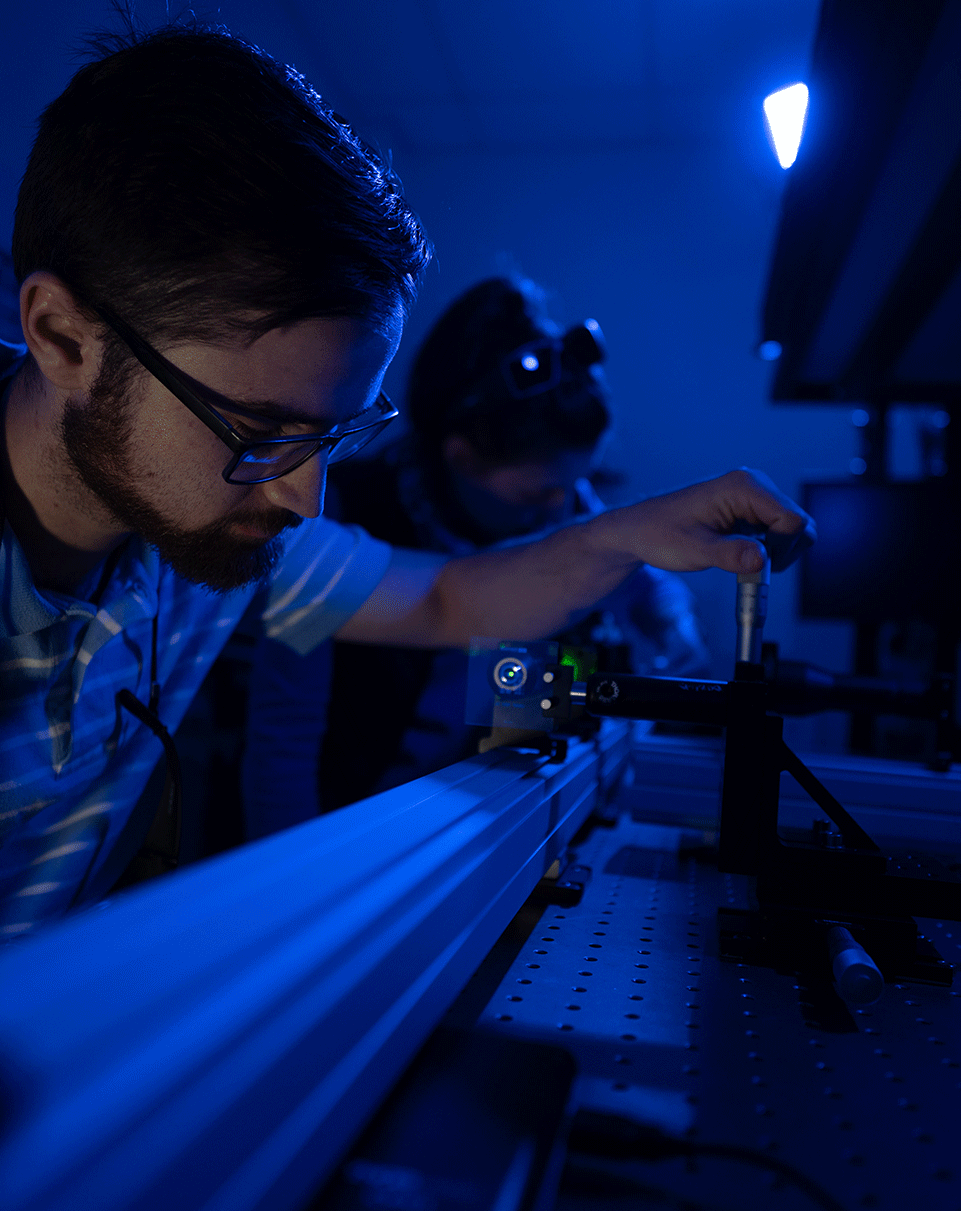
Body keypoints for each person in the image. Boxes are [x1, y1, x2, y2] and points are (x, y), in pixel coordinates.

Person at [0, 22, 812, 1137]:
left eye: (336, 436)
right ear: (62, 335)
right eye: (262, 432)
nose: (303, 498)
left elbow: (445, 602)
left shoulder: (209, 531)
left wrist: (620, 535)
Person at [242, 277, 707, 835]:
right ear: (459, 455)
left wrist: (673, 626)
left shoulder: (561, 504)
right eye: (538, 493)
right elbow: (281, 747)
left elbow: (642, 577)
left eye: (578, 486)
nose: (568, 511)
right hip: (361, 828)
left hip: (504, 815)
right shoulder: (340, 521)